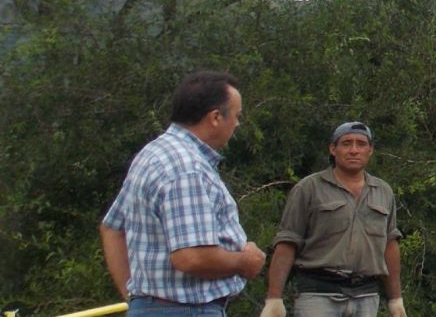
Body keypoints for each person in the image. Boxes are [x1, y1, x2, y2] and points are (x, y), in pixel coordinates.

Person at [99, 71, 266, 315]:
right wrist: (245, 262)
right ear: (216, 117)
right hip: (188, 310)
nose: (238, 124)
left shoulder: (153, 154)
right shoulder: (187, 168)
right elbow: (191, 257)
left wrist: (137, 300)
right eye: (237, 116)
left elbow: (112, 228)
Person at [260, 122, 406, 317]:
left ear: (370, 150)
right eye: (346, 143)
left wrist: (396, 299)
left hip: (366, 296)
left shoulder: (383, 192)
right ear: (333, 149)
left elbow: (390, 245)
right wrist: (274, 298)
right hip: (319, 295)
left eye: (361, 144)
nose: (354, 150)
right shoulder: (309, 188)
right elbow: (287, 242)